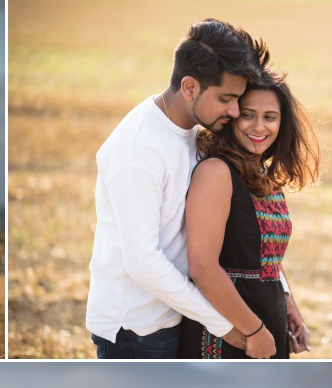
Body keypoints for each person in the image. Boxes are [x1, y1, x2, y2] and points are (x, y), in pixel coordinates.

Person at [86, 19, 291, 359]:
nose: (236, 111)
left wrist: (281, 296)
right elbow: (143, 263)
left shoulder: (195, 132)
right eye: (226, 98)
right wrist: (228, 327)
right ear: (190, 87)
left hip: (177, 317)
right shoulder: (139, 151)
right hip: (139, 332)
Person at [178, 68, 321, 358]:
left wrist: (290, 305)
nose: (259, 127)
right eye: (248, 114)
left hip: (267, 317)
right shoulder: (215, 172)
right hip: (227, 330)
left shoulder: (262, 172)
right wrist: (253, 331)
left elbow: (267, 257)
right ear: (231, 116)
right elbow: (203, 268)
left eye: (270, 117)